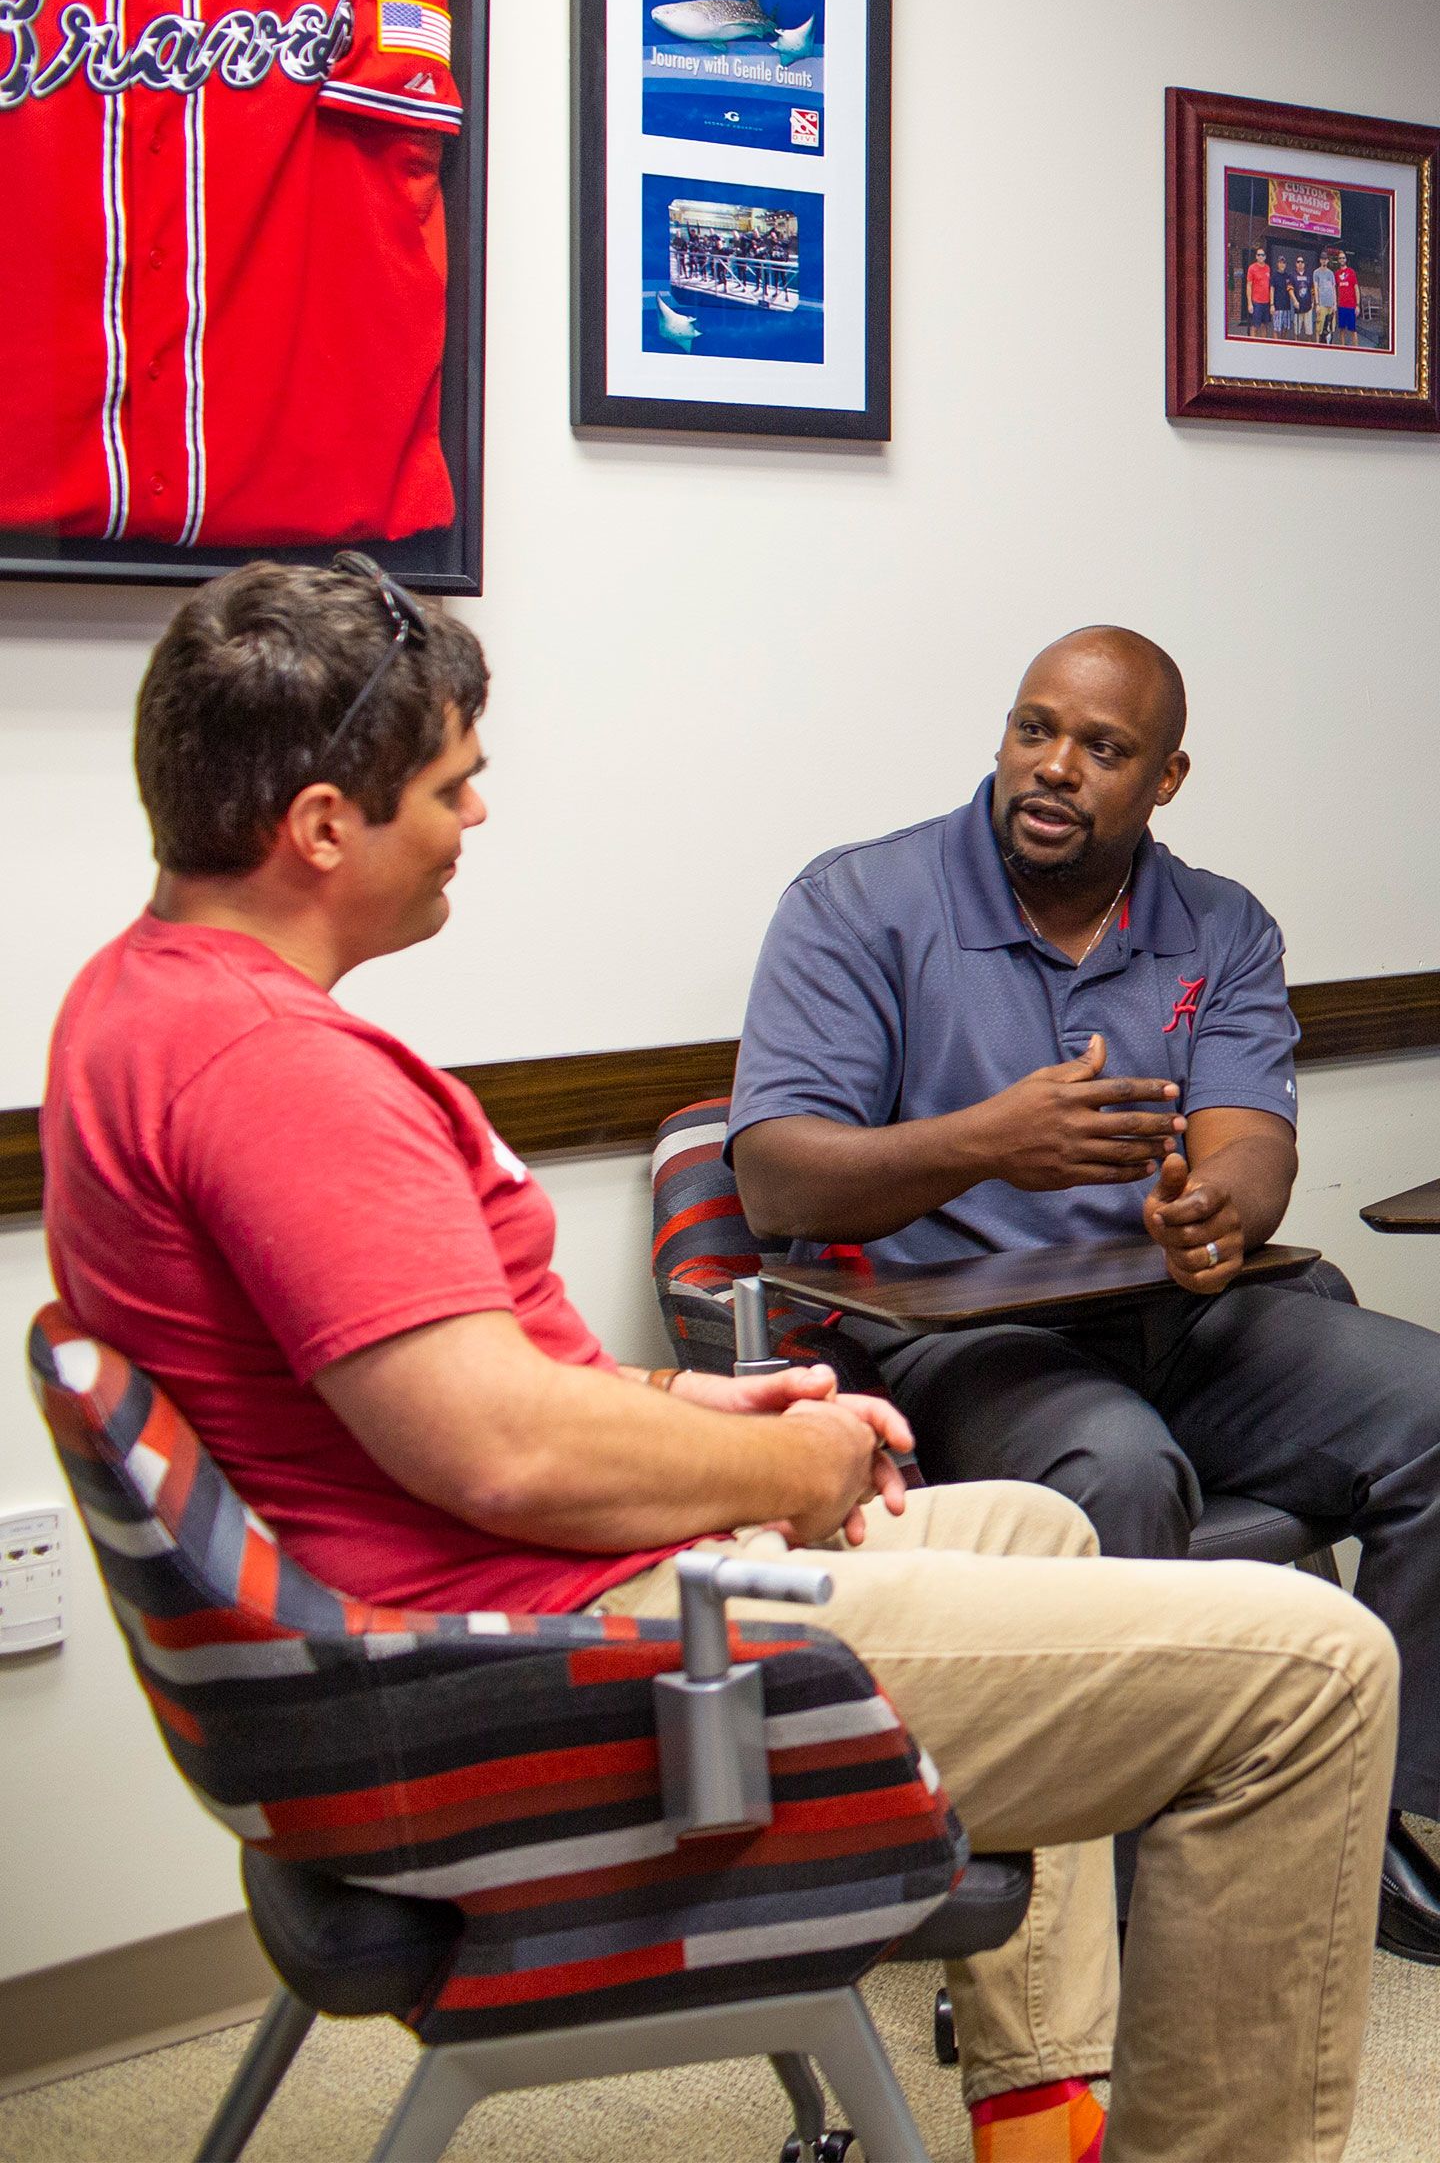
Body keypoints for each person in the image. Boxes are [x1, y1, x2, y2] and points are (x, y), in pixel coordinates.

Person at [41, 564, 1397, 2163]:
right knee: (1317, 1672)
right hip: (544, 1662)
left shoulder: (140, 1006)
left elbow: (439, 1383)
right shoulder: (281, 1076)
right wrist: (787, 1465)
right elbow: (503, 1454)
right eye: (452, 785)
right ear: (326, 826)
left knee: (1047, 1523)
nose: (477, 816)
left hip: (499, 1598)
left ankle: (1037, 2091)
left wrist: (678, 1402)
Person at [730, 622, 1440, 1965]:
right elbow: (776, 1183)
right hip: (961, 1340)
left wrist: (1217, 1207)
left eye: (1101, 749)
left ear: (1165, 780)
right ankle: (1095, 1917)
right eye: (1032, 729)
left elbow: (1254, 1142)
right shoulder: (858, 904)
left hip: (1189, 1318)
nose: (1053, 769)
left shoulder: (1219, 923)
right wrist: (988, 1142)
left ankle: (1369, 1830)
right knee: (1112, 1471)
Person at [1243, 244, 1272, 335]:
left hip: (1266, 302)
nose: (1260, 256)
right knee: (1255, 326)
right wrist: (1249, 303)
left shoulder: (1268, 268)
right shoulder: (1252, 268)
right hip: (1256, 303)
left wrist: (1271, 303)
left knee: (1264, 325)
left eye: (1262, 255)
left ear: (1265, 257)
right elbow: (1249, 285)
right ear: (1256, 256)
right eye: (1258, 255)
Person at [1335, 248, 1360, 344]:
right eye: (1340, 258)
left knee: (1353, 330)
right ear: (1338, 260)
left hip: (1351, 305)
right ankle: (1343, 347)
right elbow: (1335, 289)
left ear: (1346, 259)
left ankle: (1356, 349)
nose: (1342, 259)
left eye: (1343, 258)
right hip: (1341, 306)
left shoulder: (1351, 272)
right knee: (1341, 330)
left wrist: (1357, 305)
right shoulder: (1336, 274)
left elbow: (1356, 288)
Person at [1313, 251, 1338, 345]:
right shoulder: (1316, 272)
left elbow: (1333, 288)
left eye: (1325, 259)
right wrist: (1317, 304)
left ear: (1327, 261)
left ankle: (1329, 344)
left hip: (1330, 304)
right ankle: (1317, 344)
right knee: (1319, 326)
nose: (1324, 261)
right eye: (1322, 259)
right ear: (1320, 260)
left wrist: (1335, 303)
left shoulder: (1331, 273)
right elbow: (1316, 288)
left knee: (1331, 327)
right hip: (1322, 303)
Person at [1291, 253, 1314, 337]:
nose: (1300, 263)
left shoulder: (1309, 275)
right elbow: (1290, 289)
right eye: (1298, 262)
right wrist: (1294, 301)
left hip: (1308, 306)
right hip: (1298, 307)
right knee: (1297, 330)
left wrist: (1313, 301)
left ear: (1304, 264)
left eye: (1302, 262)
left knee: (1309, 331)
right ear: (1296, 264)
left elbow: (1312, 289)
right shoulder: (1292, 275)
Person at [1271, 252, 1293, 336]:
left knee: (1286, 327)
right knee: (1276, 329)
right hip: (1277, 307)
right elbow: (1272, 290)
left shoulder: (1288, 276)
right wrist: (1272, 304)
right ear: (1277, 264)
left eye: (1283, 263)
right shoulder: (1274, 276)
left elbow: (1291, 288)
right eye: (1280, 262)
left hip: (1287, 306)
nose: (1282, 264)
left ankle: (1282, 342)